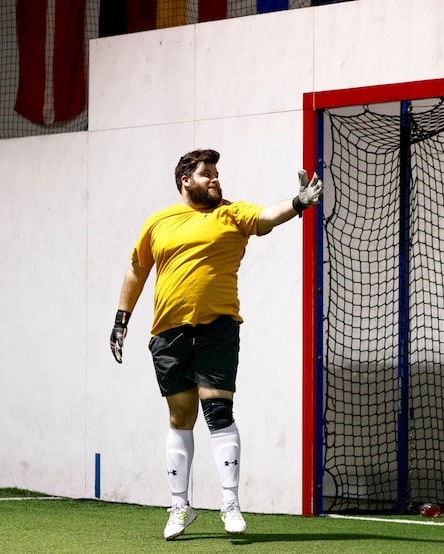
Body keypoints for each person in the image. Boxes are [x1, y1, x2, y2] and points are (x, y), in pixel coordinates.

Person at [109, 148, 322, 540]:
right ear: (185, 181)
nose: (216, 179)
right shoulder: (159, 222)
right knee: (179, 417)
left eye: (217, 173)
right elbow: (137, 269)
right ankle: (179, 507)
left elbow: (265, 216)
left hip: (217, 328)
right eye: (208, 173)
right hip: (168, 333)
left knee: (218, 410)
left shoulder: (231, 214)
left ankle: (229, 503)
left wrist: (298, 203)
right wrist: (121, 321)